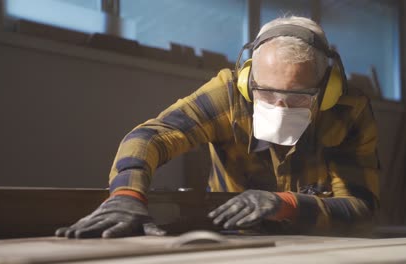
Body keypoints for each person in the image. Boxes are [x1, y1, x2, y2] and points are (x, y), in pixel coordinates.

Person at [55, 16, 380, 239]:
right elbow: (149, 137)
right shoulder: (228, 94)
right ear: (246, 79)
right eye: (266, 92)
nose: (279, 107)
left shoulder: (349, 111)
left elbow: (360, 209)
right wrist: (127, 195)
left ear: (327, 91)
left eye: (297, 98)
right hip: (234, 237)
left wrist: (286, 204)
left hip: (317, 243)